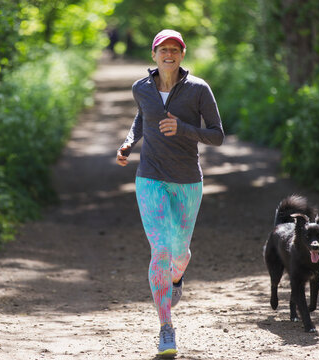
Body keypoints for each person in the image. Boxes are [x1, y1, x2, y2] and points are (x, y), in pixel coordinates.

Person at [115, 29, 224, 357]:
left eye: (175, 50)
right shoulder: (141, 88)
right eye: (163, 49)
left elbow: (217, 135)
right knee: (160, 249)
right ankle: (166, 327)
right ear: (154, 54)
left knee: (179, 252)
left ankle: (176, 276)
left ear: (182, 55)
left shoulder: (198, 89)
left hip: (188, 181)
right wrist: (128, 142)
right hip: (150, 179)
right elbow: (141, 118)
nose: (169, 55)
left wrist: (185, 129)